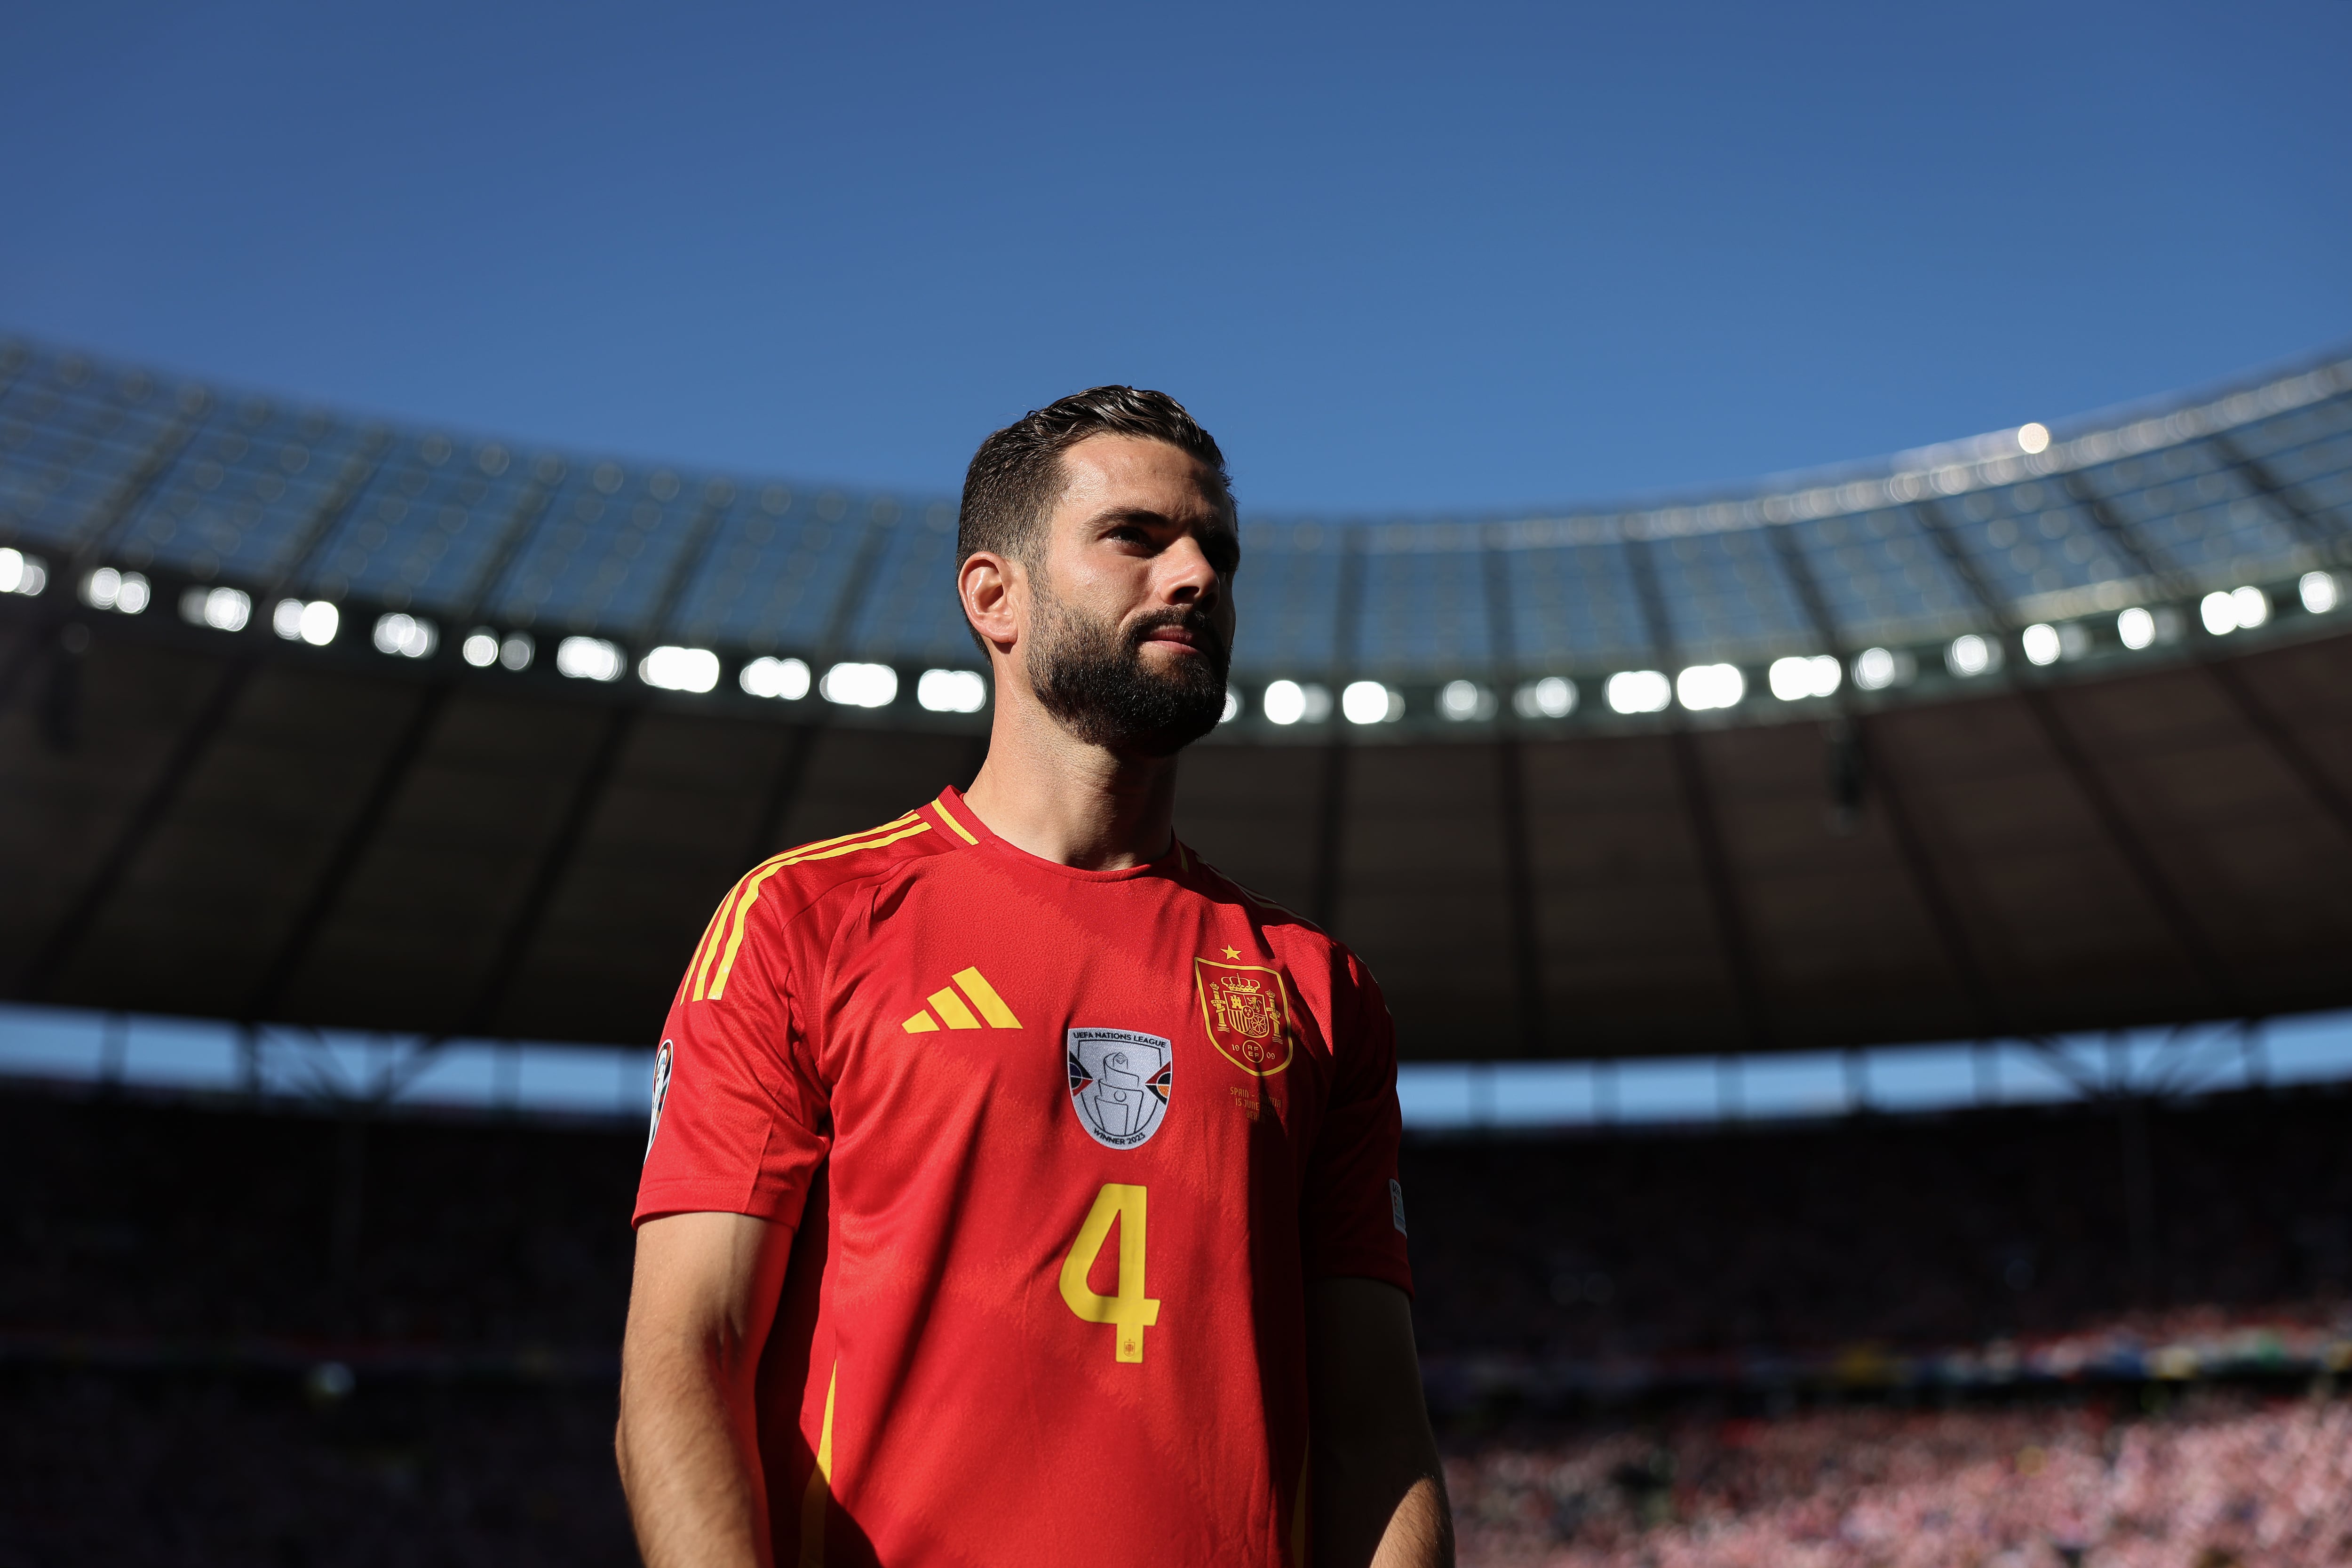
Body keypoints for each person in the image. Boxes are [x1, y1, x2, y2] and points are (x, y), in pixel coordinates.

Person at [615, 388, 1452, 1568]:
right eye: (1137, 537)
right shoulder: (804, 920)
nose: (1196, 575)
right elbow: (685, 1351)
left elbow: (1379, 1434)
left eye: (1216, 548)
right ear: (992, 596)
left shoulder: (1316, 989)